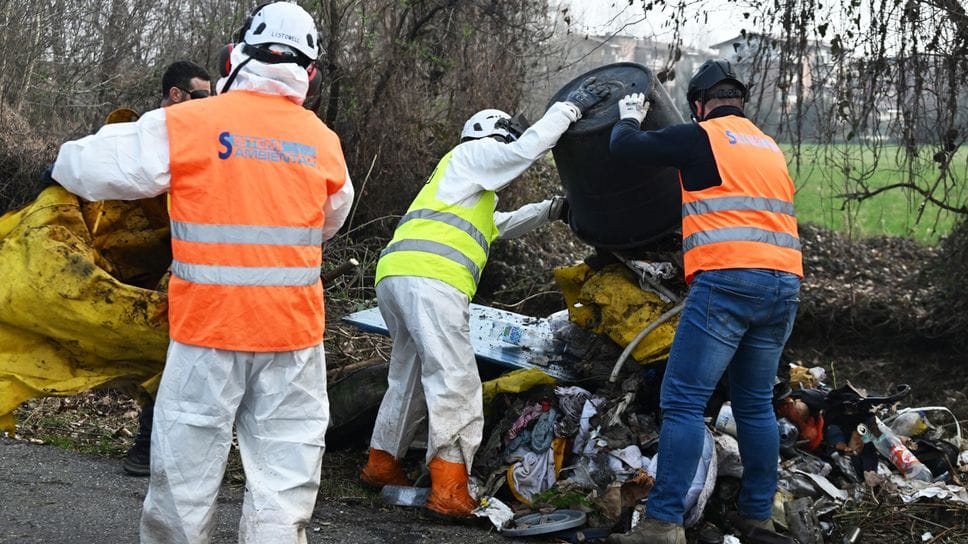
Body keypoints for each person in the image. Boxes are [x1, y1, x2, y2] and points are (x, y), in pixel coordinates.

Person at [50, 2, 354, 542]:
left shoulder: (190, 123)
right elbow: (329, 220)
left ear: (234, 56)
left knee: (184, 478)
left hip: (207, 332)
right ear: (308, 73)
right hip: (291, 337)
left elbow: (82, 166)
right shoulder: (323, 142)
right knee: (284, 484)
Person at [358, 79, 609, 520]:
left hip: (397, 277)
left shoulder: (462, 187)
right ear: (494, 135)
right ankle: (449, 489)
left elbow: (501, 224)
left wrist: (552, 208)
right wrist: (568, 110)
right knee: (455, 380)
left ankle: (381, 464)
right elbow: (523, 152)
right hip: (431, 281)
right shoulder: (474, 153)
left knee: (409, 376)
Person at [606, 59, 802, 544]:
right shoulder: (768, 146)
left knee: (683, 402)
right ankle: (757, 517)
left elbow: (623, 148)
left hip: (729, 282)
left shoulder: (701, 136)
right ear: (740, 101)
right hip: (784, 286)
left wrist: (629, 116)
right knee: (755, 405)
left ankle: (663, 523)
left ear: (699, 105)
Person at [121, 59, 213, 478]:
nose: (208, 105)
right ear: (176, 95)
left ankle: (159, 447)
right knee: (166, 357)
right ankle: (146, 445)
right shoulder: (153, 136)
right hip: (155, 265)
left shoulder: (196, 136)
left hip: (185, 263)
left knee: (177, 359)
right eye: (201, 96)